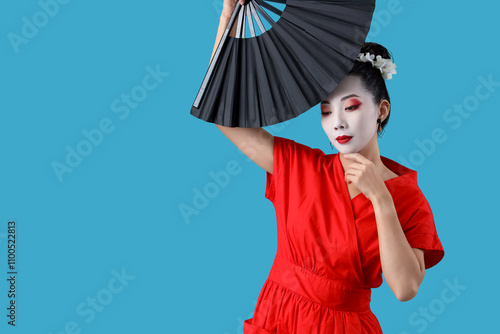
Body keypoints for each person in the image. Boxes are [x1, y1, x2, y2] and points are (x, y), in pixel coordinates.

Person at [212, 1, 445, 333]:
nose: (337, 123)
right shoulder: (301, 166)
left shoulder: (409, 198)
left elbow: (405, 288)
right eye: (325, 111)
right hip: (277, 316)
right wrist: (228, 21)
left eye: (350, 107)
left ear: (381, 110)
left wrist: (381, 199)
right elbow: (224, 115)